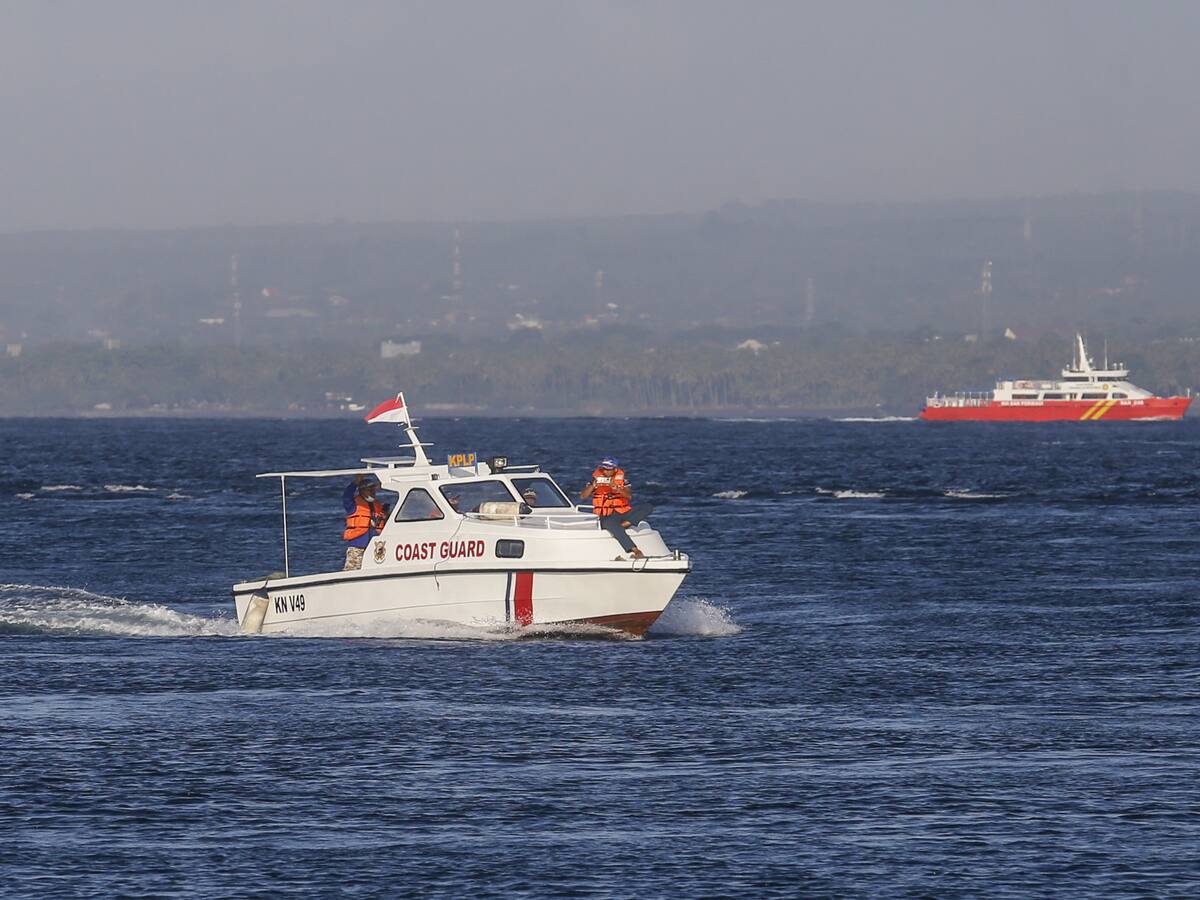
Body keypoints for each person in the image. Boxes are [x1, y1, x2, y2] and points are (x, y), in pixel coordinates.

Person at [580, 456, 654, 559]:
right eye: (604, 468)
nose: (605, 471)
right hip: (607, 515)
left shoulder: (623, 480)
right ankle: (635, 550)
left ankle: (625, 524)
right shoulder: (595, 479)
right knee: (609, 523)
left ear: (615, 469)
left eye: (608, 469)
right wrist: (593, 485)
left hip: (623, 511)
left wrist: (616, 487)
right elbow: (583, 496)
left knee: (647, 507)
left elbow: (629, 496)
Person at [342, 474, 386, 570]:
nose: (373, 492)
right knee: (352, 571)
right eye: (369, 490)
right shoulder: (353, 505)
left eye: (373, 490)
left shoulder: (377, 505)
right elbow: (346, 496)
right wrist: (355, 483)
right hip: (357, 546)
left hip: (374, 546)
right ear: (362, 490)